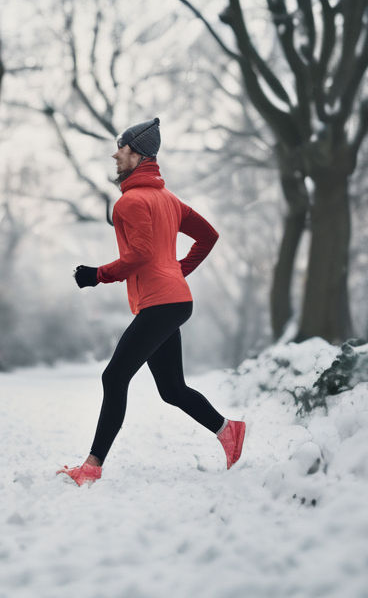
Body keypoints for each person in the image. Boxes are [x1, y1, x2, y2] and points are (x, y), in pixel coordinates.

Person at [58, 117, 246, 486]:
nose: (116, 154)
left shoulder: (129, 203)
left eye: (122, 148)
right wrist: (176, 271)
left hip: (163, 303)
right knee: (171, 389)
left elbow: (141, 254)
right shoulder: (168, 200)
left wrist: (96, 275)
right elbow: (208, 237)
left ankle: (91, 467)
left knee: (114, 377)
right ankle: (229, 431)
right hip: (171, 301)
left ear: (137, 153)